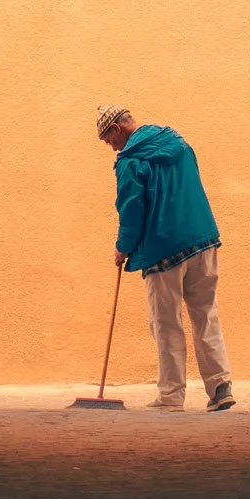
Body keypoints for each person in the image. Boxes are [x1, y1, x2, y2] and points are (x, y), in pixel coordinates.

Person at [96, 106, 235, 411]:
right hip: (202, 239)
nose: (111, 147)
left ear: (117, 129)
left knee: (166, 323)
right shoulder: (180, 144)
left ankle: (171, 396)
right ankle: (220, 387)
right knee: (206, 314)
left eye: (108, 140)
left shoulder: (131, 162)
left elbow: (132, 210)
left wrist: (123, 247)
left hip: (163, 250)